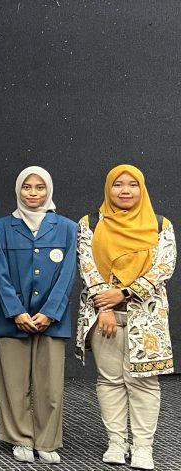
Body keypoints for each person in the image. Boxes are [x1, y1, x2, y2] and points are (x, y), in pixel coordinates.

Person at [75, 165, 174, 470]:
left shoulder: (159, 225)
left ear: (142, 189)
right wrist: (105, 306)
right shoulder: (90, 223)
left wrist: (125, 294)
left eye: (133, 184)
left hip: (145, 317)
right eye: (118, 185)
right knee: (110, 381)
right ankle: (116, 443)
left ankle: (143, 448)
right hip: (102, 316)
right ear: (109, 188)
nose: (126, 190)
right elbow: (87, 265)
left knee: (144, 382)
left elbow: (164, 266)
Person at [0, 166, 76, 464]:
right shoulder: (1, 226)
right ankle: (20, 438)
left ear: (48, 191)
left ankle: (47, 439)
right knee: (14, 383)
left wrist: (50, 313)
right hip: (12, 318)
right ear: (18, 190)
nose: (33, 193)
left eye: (39, 187)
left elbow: (68, 274)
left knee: (49, 384)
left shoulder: (67, 227)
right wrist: (15, 310)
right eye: (27, 187)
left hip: (51, 320)